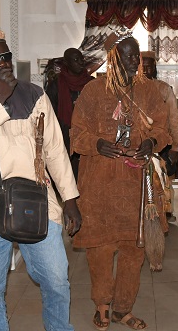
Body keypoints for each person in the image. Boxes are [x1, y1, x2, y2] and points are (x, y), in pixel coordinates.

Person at [0, 27, 82, 331]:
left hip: (38, 204)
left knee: (57, 282)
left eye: (6, 56)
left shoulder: (34, 94)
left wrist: (70, 199)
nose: (3, 64)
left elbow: (56, 150)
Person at [70, 30, 171, 330]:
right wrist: (98, 144)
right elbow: (76, 134)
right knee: (100, 250)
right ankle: (102, 306)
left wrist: (152, 143)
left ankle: (123, 310)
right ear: (112, 58)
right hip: (99, 187)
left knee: (134, 250)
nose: (132, 60)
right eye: (126, 54)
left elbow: (163, 130)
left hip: (139, 186)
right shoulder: (92, 91)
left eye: (135, 54)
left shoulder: (150, 91)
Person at [141, 50, 178, 221]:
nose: (145, 71)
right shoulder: (130, 89)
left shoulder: (164, 89)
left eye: (149, 68)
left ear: (154, 68)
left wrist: (177, 147)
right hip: (141, 144)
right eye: (143, 67)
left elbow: (174, 120)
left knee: (163, 180)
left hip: (162, 143)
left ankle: (166, 212)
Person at [44, 47, 92, 179]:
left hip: (88, 134)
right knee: (67, 174)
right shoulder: (56, 84)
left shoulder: (92, 83)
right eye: (76, 60)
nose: (81, 62)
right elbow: (49, 113)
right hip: (64, 135)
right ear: (66, 63)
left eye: (82, 59)